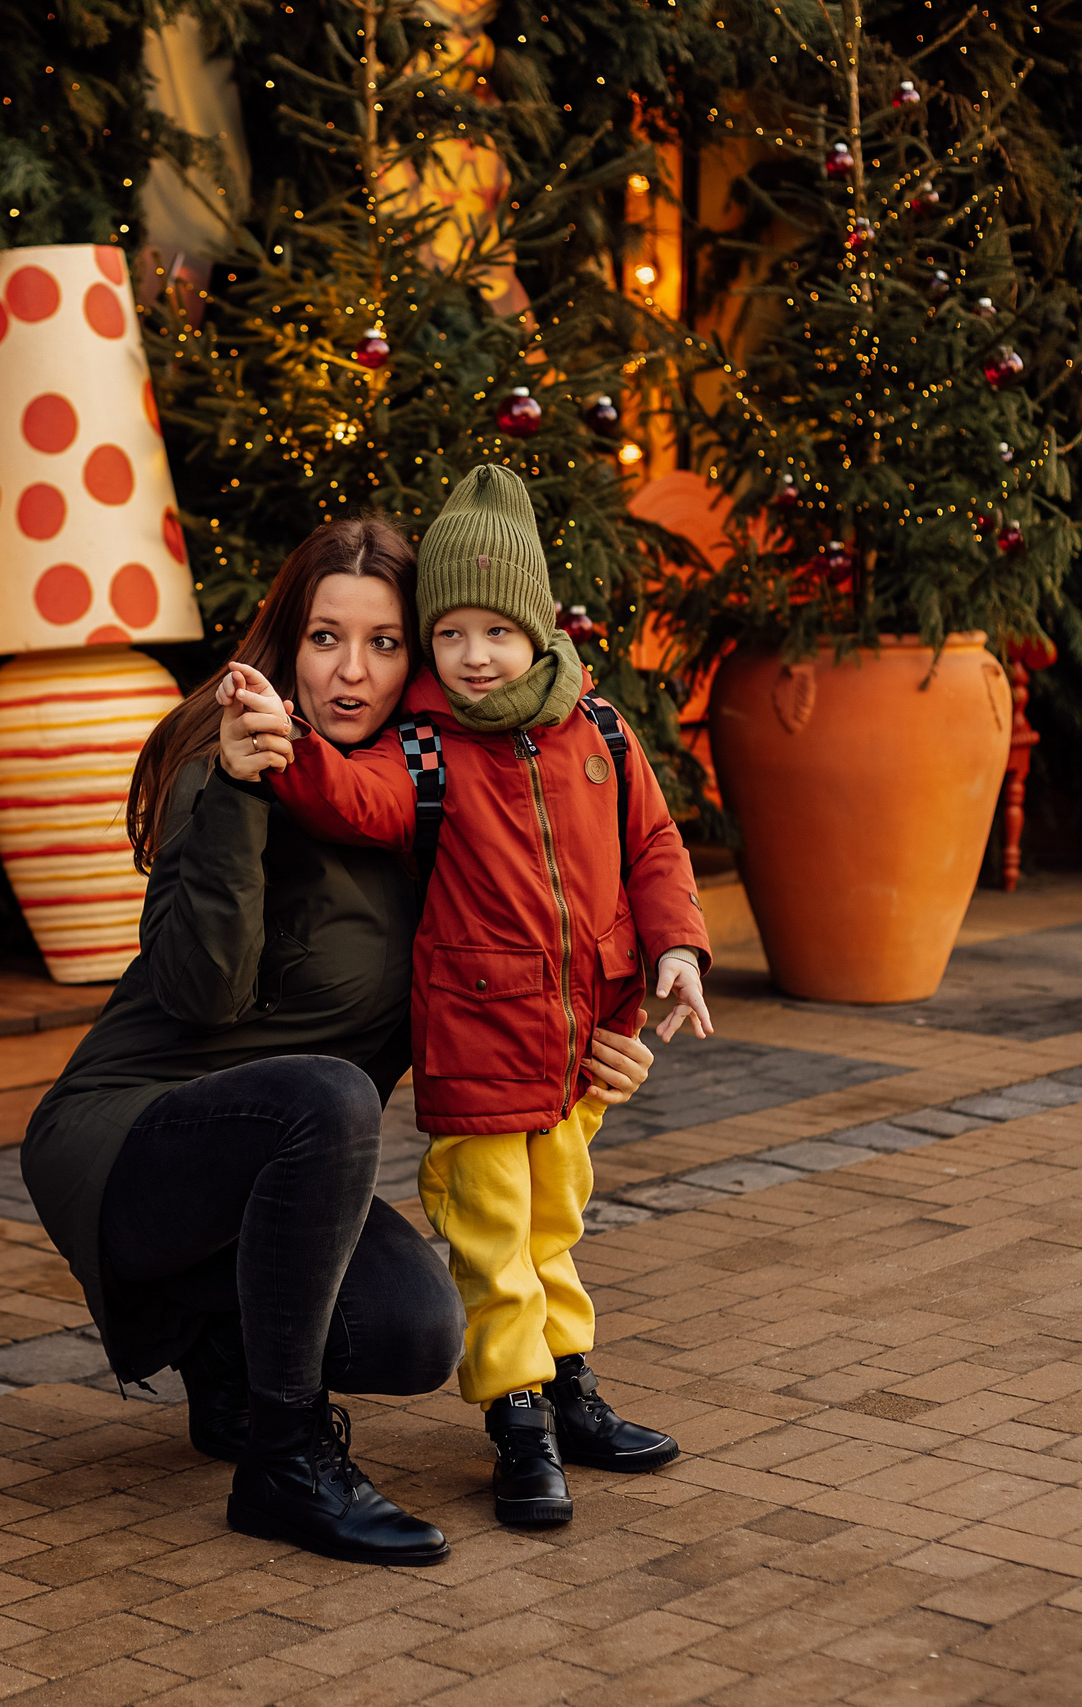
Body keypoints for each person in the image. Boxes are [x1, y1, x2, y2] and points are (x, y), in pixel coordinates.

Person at [21, 513, 662, 1569]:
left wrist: (600, 1036)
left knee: (411, 1333)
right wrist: (233, 792)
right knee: (327, 1097)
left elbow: (531, 946)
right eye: (325, 639)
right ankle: (286, 1461)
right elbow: (202, 993)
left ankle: (224, 1358)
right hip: (135, 1137)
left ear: (422, 656)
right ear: (287, 645)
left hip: (277, 1169)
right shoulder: (230, 773)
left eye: (381, 642)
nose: (350, 674)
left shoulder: (435, 792)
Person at [217, 465, 713, 1529]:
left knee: (555, 1224)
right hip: (480, 1044)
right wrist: (283, 744)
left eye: (495, 630)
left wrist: (676, 950)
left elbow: (656, 849)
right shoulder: (428, 749)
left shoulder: (604, 734)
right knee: (492, 1239)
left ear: (538, 628)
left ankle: (571, 1385)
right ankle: (517, 1424)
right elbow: (353, 797)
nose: (474, 655)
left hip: (582, 1044)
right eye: (449, 636)